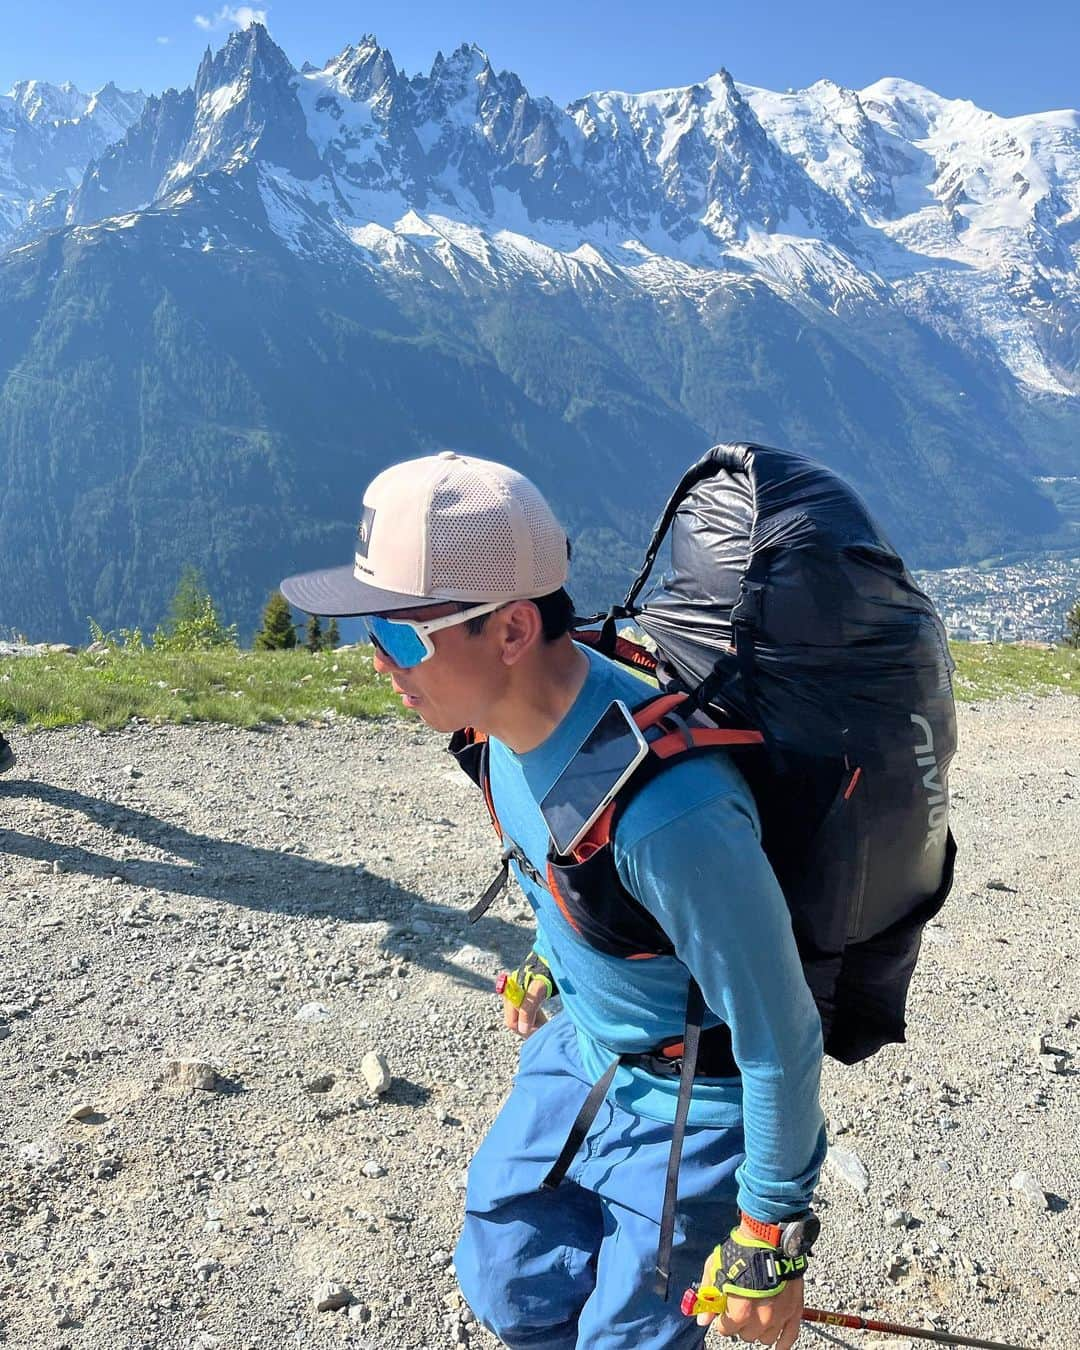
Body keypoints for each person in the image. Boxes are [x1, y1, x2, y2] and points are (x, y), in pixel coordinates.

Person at [281, 452, 826, 1350]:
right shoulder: (496, 731)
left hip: (693, 1099)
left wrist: (769, 1238)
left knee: (629, 1335)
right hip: (583, 1045)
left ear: (510, 631)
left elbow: (778, 1035)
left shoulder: (671, 816)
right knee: (509, 1275)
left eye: (401, 633)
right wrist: (549, 959)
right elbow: (571, 875)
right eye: (370, 628)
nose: (378, 659)